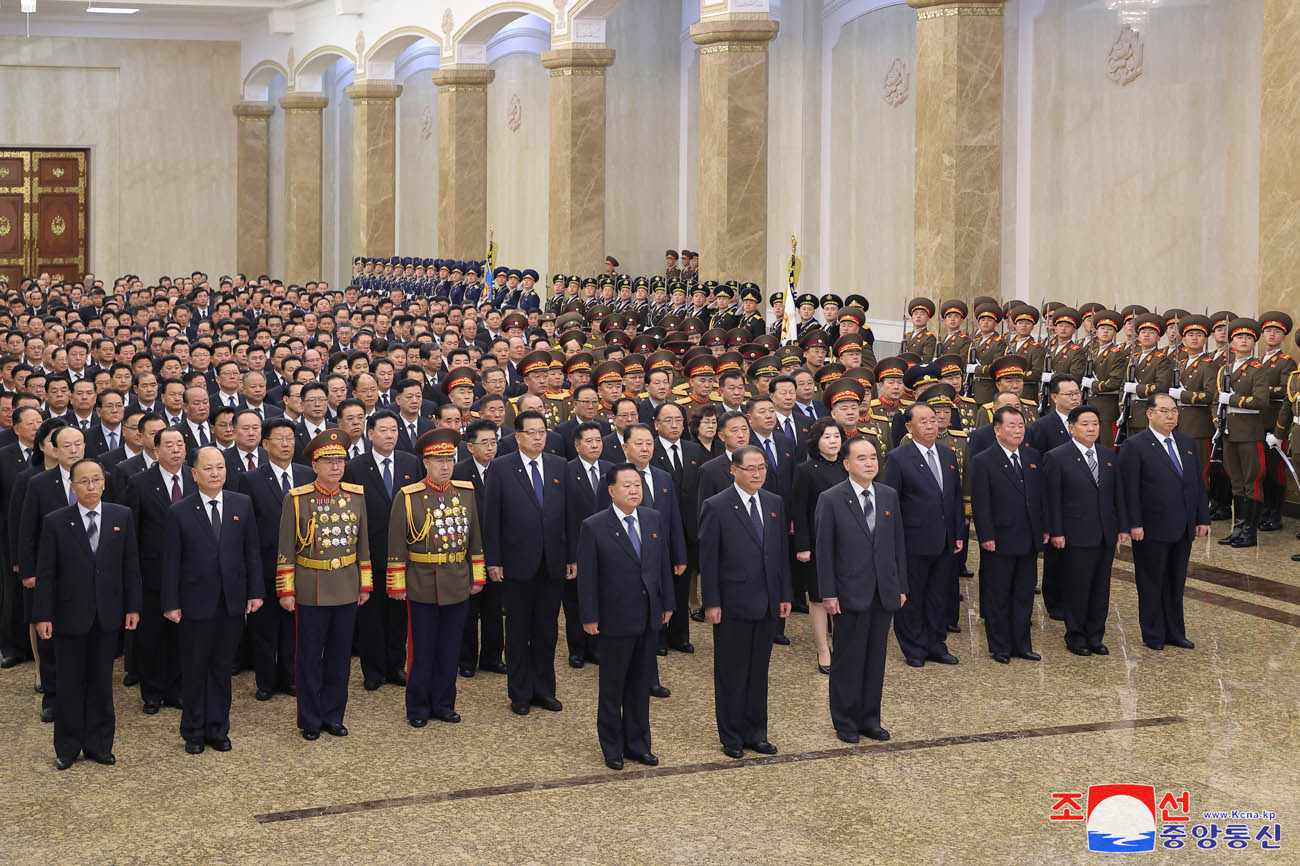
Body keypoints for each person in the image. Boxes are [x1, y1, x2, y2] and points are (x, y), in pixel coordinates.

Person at [34, 458, 141, 770]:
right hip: (69, 616)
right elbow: (46, 574)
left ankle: (99, 744)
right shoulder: (55, 521)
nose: (91, 486)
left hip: (107, 614)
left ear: (104, 483)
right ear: (73, 485)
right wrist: (43, 616)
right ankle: (67, 747)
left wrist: (132, 607)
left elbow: (130, 567)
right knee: (68, 683)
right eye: (84, 481)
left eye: (96, 480)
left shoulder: (122, 516)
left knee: (100, 682)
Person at [161, 446, 263, 754]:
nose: (215, 473)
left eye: (220, 467)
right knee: (194, 667)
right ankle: (193, 730)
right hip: (194, 602)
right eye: (208, 468)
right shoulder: (179, 510)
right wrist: (171, 602)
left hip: (231, 601)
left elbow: (252, 552)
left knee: (221, 667)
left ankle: (218, 728)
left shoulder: (241, 504)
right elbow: (171, 562)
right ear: (194, 474)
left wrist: (255, 591)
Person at [577, 463, 675, 771]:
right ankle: (612, 746)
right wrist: (589, 616)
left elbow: (662, 565)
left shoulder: (652, 518)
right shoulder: (594, 526)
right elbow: (588, 577)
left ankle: (638, 744)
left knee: (640, 684)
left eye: (637, 485)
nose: (634, 491)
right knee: (613, 686)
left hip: (648, 616)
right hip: (614, 617)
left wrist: (668, 602)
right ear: (611, 491)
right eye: (627, 486)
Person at [276, 428, 372, 740]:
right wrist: (286, 590)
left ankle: (334, 715)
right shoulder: (297, 499)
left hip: (346, 585)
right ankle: (310, 719)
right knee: (308, 658)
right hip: (311, 586)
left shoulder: (355, 496)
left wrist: (365, 584)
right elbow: (286, 548)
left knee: (340, 658)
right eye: (328, 461)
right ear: (314, 465)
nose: (335, 467)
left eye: (340, 461)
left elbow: (363, 546)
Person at [698, 445, 792, 759]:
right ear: (733, 470)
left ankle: (756, 732)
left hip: (767, 601)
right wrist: (711, 601)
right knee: (731, 672)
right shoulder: (717, 506)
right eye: (750, 469)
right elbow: (709, 559)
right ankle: (732, 735)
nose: (757, 474)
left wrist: (784, 595)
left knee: (758, 671)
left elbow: (780, 555)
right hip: (732, 601)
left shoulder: (774, 502)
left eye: (761, 468)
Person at [387, 429, 485, 727]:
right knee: (422, 648)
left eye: (449, 459)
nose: (445, 466)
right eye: (438, 460)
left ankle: (444, 703)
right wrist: (397, 583)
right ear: (425, 463)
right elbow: (396, 544)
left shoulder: (465, 493)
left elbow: (475, 540)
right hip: (422, 581)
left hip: (456, 579)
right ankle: (417, 706)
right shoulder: (409, 496)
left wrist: (476, 575)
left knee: (449, 647)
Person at [816, 436, 907, 743]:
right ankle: (845, 721)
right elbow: (824, 550)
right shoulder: (831, 498)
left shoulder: (888, 495)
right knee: (849, 659)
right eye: (861, 458)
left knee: (875, 658)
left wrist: (900, 586)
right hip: (848, 592)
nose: (869, 463)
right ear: (847, 464)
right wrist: (828, 593)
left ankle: (870, 718)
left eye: (872, 458)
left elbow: (897, 545)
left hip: (883, 590)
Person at [482, 409, 571, 715]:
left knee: (547, 631)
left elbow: (568, 516)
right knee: (519, 631)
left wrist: (571, 556)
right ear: (517, 436)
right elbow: (490, 517)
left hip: (552, 561)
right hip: (516, 561)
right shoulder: (501, 468)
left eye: (542, 431)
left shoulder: (560, 465)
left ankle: (544, 690)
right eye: (531, 432)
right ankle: (520, 692)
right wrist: (493, 559)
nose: (537, 437)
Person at [1117, 393, 1209, 650]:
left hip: (1183, 526)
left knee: (1176, 581)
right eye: (1165, 411)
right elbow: (1129, 489)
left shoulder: (1187, 442)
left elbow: (1197, 484)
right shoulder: (1135, 446)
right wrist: (1134, 523)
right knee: (1151, 581)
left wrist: (1202, 517)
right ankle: (1154, 633)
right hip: (1150, 527)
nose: (1171, 416)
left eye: (1174, 411)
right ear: (1150, 414)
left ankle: (1175, 631)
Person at [344, 409, 421, 690]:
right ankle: (373, 671)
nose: (389, 435)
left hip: (404, 554)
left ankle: (395, 665)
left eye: (393, 430)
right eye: (383, 430)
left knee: (398, 614)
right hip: (370, 552)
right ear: (370, 434)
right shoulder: (355, 467)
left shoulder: (411, 462)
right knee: (371, 616)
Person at [881, 403, 963, 667]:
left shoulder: (947, 454)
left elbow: (955, 498)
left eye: (933, 420)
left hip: (944, 538)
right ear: (909, 427)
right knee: (913, 596)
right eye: (924, 421)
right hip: (913, 540)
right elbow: (890, 503)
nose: (931, 426)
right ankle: (914, 646)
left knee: (939, 594)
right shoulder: (898, 457)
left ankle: (936, 643)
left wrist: (958, 532)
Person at [1043, 406, 1127, 656]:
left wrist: (1122, 526)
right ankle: (1076, 635)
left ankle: (1095, 635)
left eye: (1095, 424)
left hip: (1104, 533)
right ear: (1071, 427)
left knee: (1100, 588)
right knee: (1077, 586)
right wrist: (1056, 531)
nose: (1091, 429)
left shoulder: (1108, 455)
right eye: (1085, 424)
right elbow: (1052, 499)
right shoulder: (1057, 457)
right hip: (1074, 533)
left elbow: (1117, 495)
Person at [240, 417, 313, 701]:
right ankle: (265, 680)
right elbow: (248, 528)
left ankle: (290, 677)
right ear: (265, 444)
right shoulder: (251, 479)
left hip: (303, 566)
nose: (286, 444)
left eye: (290, 439)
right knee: (264, 628)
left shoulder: (307, 475)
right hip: (266, 564)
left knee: (294, 626)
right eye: (280, 439)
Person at [123, 426, 195, 714]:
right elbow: (132, 532)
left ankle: (177, 689)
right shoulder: (140, 483)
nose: (176, 449)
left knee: (181, 635)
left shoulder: (195, 477)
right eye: (170, 445)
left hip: (189, 572)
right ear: (156, 450)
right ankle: (152, 691)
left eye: (180, 444)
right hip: (152, 572)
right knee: (152, 635)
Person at [970, 406, 1046, 664]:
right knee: (998, 595)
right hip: (999, 538)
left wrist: (1042, 530)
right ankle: (1000, 646)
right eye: (1011, 426)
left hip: (1028, 538)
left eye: (1020, 425)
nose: (1017, 430)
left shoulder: (1032, 456)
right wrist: (986, 536)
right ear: (997, 429)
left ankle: (1022, 644)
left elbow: (1039, 499)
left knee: (1024, 594)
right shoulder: (984, 460)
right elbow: (982, 503)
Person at [790, 418, 847, 673]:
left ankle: (843, 646)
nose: (833, 442)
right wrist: (803, 546)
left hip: (847, 542)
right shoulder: (805, 469)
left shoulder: (848, 466)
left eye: (836, 436)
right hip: (817, 541)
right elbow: (799, 509)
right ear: (816, 442)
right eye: (827, 437)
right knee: (818, 598)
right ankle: (823, 649)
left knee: (842, 595)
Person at [452, 418, 507, 678]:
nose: (490, 447)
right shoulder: (459, 473)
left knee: (494, 609)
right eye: (483, 443)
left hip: (497, 549)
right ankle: (466, 658)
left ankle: (492, 656)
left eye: (493, 442)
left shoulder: (505, 469)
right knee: (468, 608)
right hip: (467, 551)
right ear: (470, 447)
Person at [562, 421, 611, 669]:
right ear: (577, 445)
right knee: (575, 602)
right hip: (577, 547)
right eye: (589, 441)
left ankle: (597, 647)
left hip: (606, 548)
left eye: (598, 440)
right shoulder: (565, 471)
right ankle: (577, 650)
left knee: (602, 598)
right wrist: (571, 555)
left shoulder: (612, 470)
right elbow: (564, 517)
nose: (594, 445)